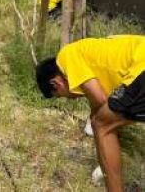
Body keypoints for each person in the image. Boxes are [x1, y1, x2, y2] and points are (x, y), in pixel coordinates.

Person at [36, 35, 145, 192]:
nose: (70, 99)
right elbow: (107, 105)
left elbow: (100, 100)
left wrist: (96, 121)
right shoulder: (88, 52)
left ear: (56, 83)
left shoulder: (67, 55)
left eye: (61, 95)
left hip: (142, 67)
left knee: (101, 125)